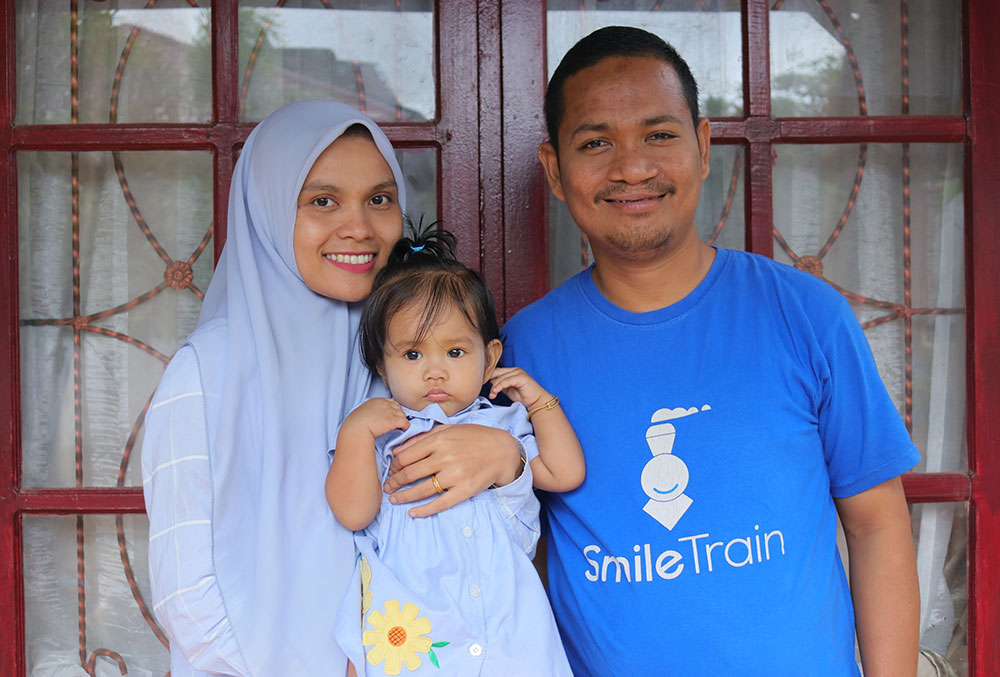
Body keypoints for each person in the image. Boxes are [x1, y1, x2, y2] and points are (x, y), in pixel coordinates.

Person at [501, 26, 920, 676]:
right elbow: (512, 546)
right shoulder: (524, 353)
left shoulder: (805, 316)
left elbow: (876, 524)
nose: (632, 166)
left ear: (702, 146)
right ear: (555, 170)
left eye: (658, 135)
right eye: (595, 142)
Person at [141, 100, 526, 677]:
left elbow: (477, 542)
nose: (360, 227)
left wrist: (510, 457)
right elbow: (187, 589)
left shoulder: (411, 355)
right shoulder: (209, 371)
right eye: (322, 201)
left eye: (379, 199)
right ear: (268, 211)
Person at [327, 226, 583, 676]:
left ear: (490, 358)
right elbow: (352, 514)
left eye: (456, 351)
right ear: (380, 367)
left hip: (509, 641)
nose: (435, 371)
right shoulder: (383, 434)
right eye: (412, 355)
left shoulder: (504, 425)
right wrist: (353, 436)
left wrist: (539, 401)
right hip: (415, 641)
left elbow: (565, 473)